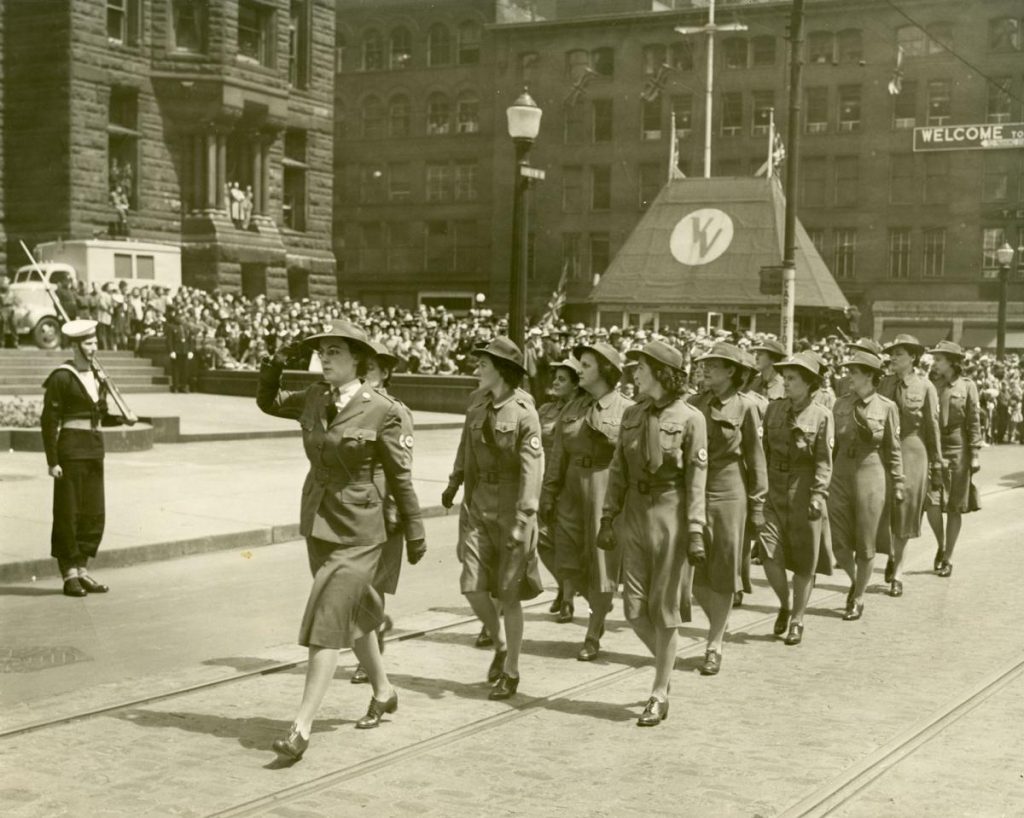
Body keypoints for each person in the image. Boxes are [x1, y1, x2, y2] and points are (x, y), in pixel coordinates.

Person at [257, 319, 426, 760]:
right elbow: (269, 401)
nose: (325, 358)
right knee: (356, 620)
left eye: (335, 351)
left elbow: (401, 477)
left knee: (328, 619)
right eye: (322, 351)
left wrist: (415, 530)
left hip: (361, 531)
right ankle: (384, 690)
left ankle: (301, 727)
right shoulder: (314, 397)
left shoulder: (383, 409)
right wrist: (276, 364)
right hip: (319, 522)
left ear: (359, 361)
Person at [600, 340, 707, 726]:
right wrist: (607, 516)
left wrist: (695, 529)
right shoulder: (632, 414)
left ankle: (659, 692)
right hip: (635, 515)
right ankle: (668, 665)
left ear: (662, 372)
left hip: (671, 516)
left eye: (641, 367)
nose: (635, 373)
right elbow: (617, 470)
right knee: (632, 610)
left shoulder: (691, 418)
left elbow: (697, 480)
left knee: (664, 611)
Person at [454, 337, 544, 701]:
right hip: (480, 505)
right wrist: (457, 492)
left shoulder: (525, 412)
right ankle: (500, 640)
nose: (477, 369)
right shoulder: (476, 407)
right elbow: (469, 457)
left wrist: (524, 517)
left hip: (512, 510)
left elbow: (532, 469)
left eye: (484, 365)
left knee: (509, 595)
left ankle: (511, 670)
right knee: (472, 585)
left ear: (502, 372)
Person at [541, 342, 632, 661]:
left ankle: (594, 629)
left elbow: (631, 461)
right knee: (564, 557)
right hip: (571, 490)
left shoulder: (626, 409)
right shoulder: (572, 407)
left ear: (606, 371)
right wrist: (548, 493)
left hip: (605, 488)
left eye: (586, 365)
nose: (579, 370)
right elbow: (557, 454)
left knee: (602, 564)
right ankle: (592, 604)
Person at [689, 343, 767, 676]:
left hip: (728, 490)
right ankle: (716, 626)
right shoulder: (693, 404)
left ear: (732, 371)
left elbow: (756, 458)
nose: (705, 370)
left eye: (713, 366)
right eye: (704, 365)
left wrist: (758, 504)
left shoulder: (746, 408)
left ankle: (714, 643)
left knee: (721, 570)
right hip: (693, 489)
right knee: (692, 571)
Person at [348, 340, 422, 685]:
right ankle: (374, 630)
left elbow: (402, 471)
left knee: (372, 586)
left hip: (382, 509)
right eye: (362, 370)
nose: (365, 376)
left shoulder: (395, 411)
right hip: (349, 511)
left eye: (372, 371)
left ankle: (371, 648)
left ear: (386, 374)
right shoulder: (347, 407)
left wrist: (407, 519)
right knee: (358, 588)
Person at [41, 320, 124, 597]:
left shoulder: (98, 377)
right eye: (88, 344)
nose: (94, 348)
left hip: (93, 449)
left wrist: (122, 417)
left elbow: (99, 415)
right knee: (69, 512)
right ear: (75, 346)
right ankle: (69, 574)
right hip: (71, 451)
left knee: (92, 512)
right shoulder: (61, 377)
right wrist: (52, 461)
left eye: (95, 343)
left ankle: (83, 569)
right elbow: (49, 421)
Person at [758, 352, 834, 645]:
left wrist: (818, 495)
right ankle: (785, 603)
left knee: (804, 563)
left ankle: (798, 619)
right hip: (774, 490)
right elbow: (763, 451)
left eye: (791, 379)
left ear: (808, 383)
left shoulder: (822, 416)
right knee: (768, 554)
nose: (785, 384)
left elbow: (824, 462)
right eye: (784, 378)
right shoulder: (774, 410)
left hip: (804, 491)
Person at [829, 350, 904, 621]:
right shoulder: (840, 405)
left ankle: (858, 596)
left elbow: (893, 449)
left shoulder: (886, 407)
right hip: (840, 473)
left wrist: (898, 481)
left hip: (870, 474)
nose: (849, 376)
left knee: (865, 541)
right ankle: (855, 580)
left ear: (870, 376)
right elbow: (830, 445)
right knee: (838, 543)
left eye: (854, 372)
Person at [878, 335, 943, 596]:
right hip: (884, 451)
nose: (893, 358)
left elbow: (933, 426)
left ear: (913, 357)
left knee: (903, 510)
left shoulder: (926, 387)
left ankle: (898, 573)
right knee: (884, 508)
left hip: (913, 451)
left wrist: (937, 463)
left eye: (899, 354)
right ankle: (892, 553)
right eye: (892, 354)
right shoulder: (882, 383)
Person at [925, 341, 982, 578]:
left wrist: (975, 453)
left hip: (958, 446)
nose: (934, 363)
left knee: (955, 506)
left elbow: (974, 419)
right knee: (932, 503)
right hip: (935, 446)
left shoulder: (968, 386)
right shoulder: (930, 385)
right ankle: (941, 544)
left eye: (939, 359)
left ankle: (948, 557)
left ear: (951, 362)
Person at [536, 358, 584, 619]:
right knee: (542, 539)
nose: (555, 381)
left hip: (573, 483)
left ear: (576, 385)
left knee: (568, 544)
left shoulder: (586, 411)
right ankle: (566, 585)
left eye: (562, 379)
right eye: (555, 377)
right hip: (547, 481)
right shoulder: (544, 410)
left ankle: (567, 599)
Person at [164, 307, 195, 393]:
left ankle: (184, 386)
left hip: (185, 350)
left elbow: (190, 340)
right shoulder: (171, 327)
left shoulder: (186, 327)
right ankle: (176, 386)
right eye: (179, 317)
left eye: (182, 317)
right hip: (176, 350)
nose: (180, 319)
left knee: (185, 369)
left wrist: (190, 350)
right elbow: (169, 340)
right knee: (176, 369)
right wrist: (171, 351)